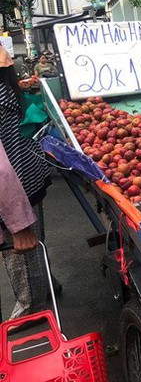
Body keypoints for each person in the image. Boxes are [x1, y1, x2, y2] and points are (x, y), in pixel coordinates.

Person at [0, 45, 53, 318]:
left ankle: (32, 310)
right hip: (29, 178)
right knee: (36, 239)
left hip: (13, 188)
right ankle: (46, 287)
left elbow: (1, 171)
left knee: (22, 244)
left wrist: (17, 223)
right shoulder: (8, 87)